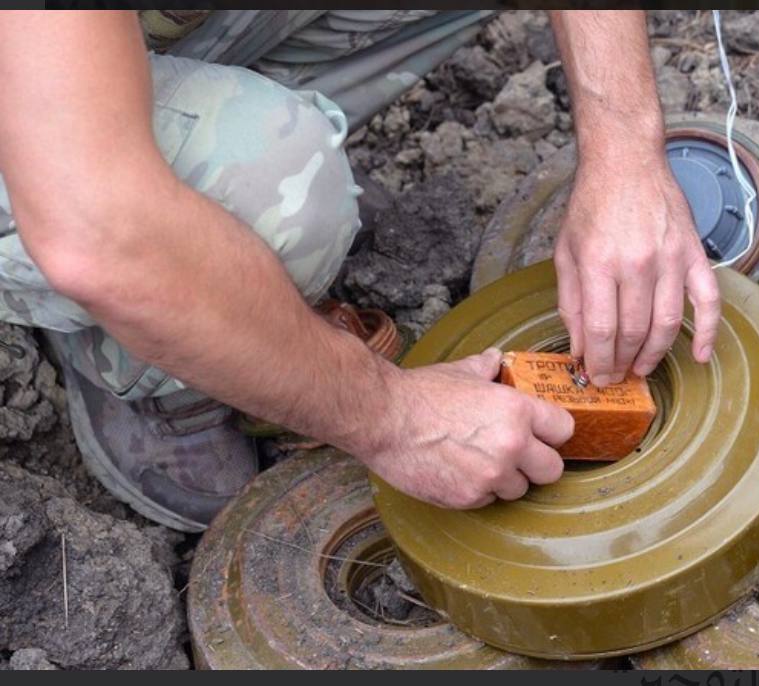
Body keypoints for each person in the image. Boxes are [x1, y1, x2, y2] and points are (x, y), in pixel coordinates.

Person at [0, 10, 720, 532]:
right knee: (280, 186)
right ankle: (143, 355)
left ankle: (212, 124)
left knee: (264, 179)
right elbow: (101, 233)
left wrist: (625, 153)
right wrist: (394, 419)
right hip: (46, 127)